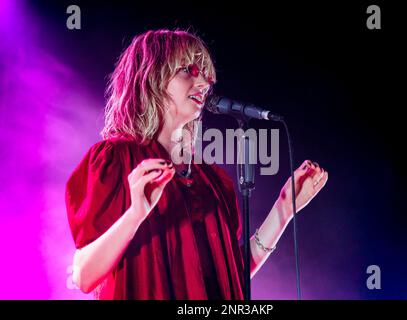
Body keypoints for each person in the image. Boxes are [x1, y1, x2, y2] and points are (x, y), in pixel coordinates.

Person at [65, 29, 328, 300]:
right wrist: (134, 215)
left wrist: (283, 209)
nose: (204, 82)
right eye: (188, 70)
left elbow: (230, 277)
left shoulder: (212, 180)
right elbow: (84, 276)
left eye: (205, 73)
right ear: (151, 78)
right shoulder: (115, 160)